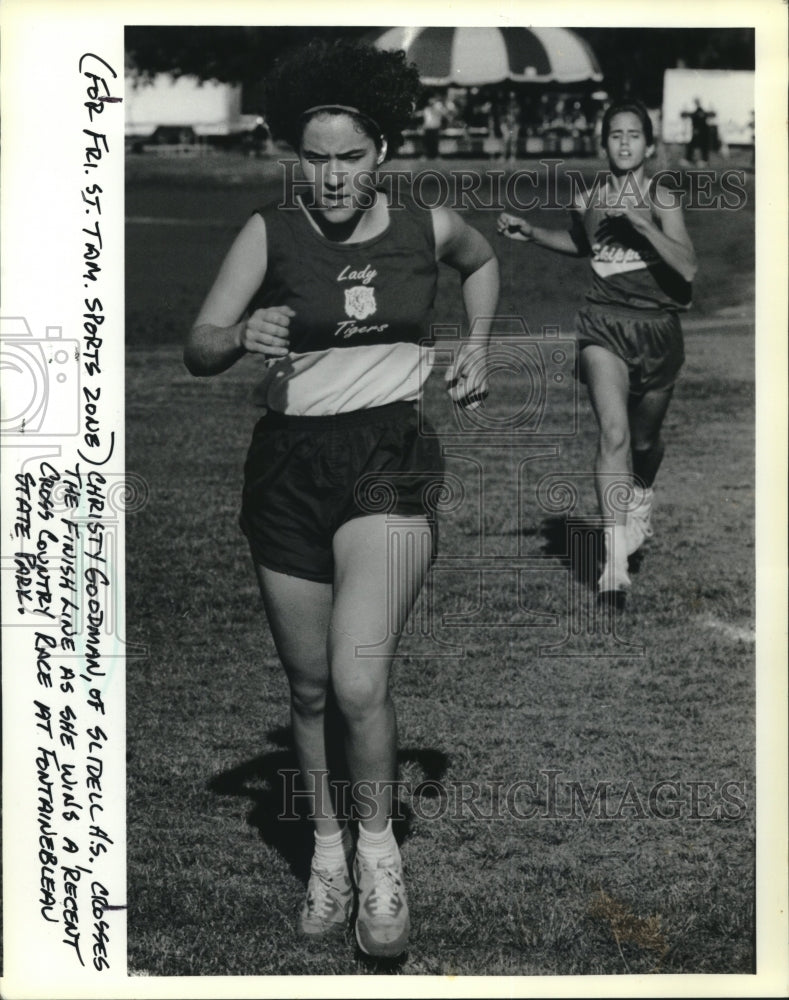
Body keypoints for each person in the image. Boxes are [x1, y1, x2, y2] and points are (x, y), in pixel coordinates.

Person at [184, 38, 499, 958]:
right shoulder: (267, 232)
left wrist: (475, 345)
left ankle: (378, 856)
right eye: (313, 157)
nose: (329, 177)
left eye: (348, 158)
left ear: (384, 155)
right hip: (288, 468)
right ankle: (325, 851)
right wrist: (243, 332)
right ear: (296, 156)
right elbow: (198, 346)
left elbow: (481, 263)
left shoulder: (427, 227)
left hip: (388, 462)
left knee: (360, 680)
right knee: (312, 689)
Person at [497, 98, 696, 596]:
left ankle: (641, 498)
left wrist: (644, 224)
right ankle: (612, 561)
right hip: (601, 326)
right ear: (602, 143)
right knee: (613, 433)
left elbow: (688, 269)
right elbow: (583, 243)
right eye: (615, 135)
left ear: (649, 146)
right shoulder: (586, 198)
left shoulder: (661, 198)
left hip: (657, 331)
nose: (624, 142)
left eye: (634, 135)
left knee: (644, 443)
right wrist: (533, 234)